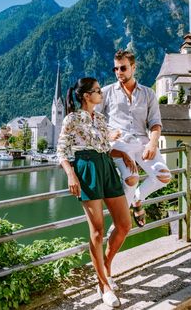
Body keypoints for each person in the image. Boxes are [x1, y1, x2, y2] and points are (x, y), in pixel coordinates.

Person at [57, 77, 135, 307]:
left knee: (124, 224)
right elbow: (61, 150)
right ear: (86, 96)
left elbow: (104, 148)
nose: (101, 93)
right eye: (97, 91)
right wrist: (71, 174)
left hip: (106, 168)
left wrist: (121, 154)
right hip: (86, 169)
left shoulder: (100, 119)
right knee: (98, 231)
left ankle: (106, 265)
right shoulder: (71, 119)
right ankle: (103, 285)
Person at [97, 50, 171, 228]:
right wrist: (107, 134)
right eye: (115, 69)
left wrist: (153, 144)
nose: (118, 72)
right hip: (119, 144)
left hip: (143, 143)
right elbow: (94, 121)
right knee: (131, 178)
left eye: (123, 68)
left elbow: (155, 123)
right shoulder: (106, 92)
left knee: (164, 176)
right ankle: (119, 223)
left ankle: (137, 200)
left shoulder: (148, 94)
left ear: (133, 67)